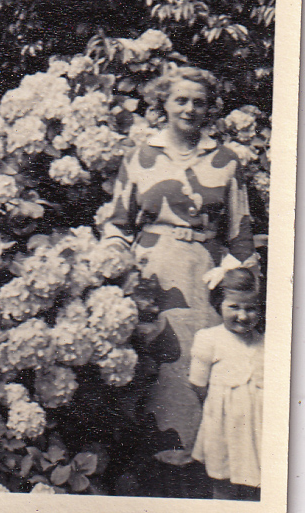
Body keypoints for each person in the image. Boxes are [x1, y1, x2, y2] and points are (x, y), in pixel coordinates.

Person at [102, 65, 257, 462]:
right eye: (181, 100)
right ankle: (138, 458)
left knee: (194, 363)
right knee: (147, 359)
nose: (189, 109)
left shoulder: (225, 160)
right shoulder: (139, 157)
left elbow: (240, 233)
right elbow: (118, 224)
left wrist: (234, 283)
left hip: (203, 278)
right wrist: (116, 265)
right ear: (163, 104)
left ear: (210, 110)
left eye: (199, 103)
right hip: (149, 274)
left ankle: (192, 459)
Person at [189, 268, 263, 500]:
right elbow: (198, 384)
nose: (243, 315)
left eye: (251, 308)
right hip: (223, 425)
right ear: (219, 304)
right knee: (223, 483)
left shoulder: (266, 343)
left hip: (257, 426)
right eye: (234, 307)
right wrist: (217, 408)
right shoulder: (209, 338)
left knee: (255, 482)